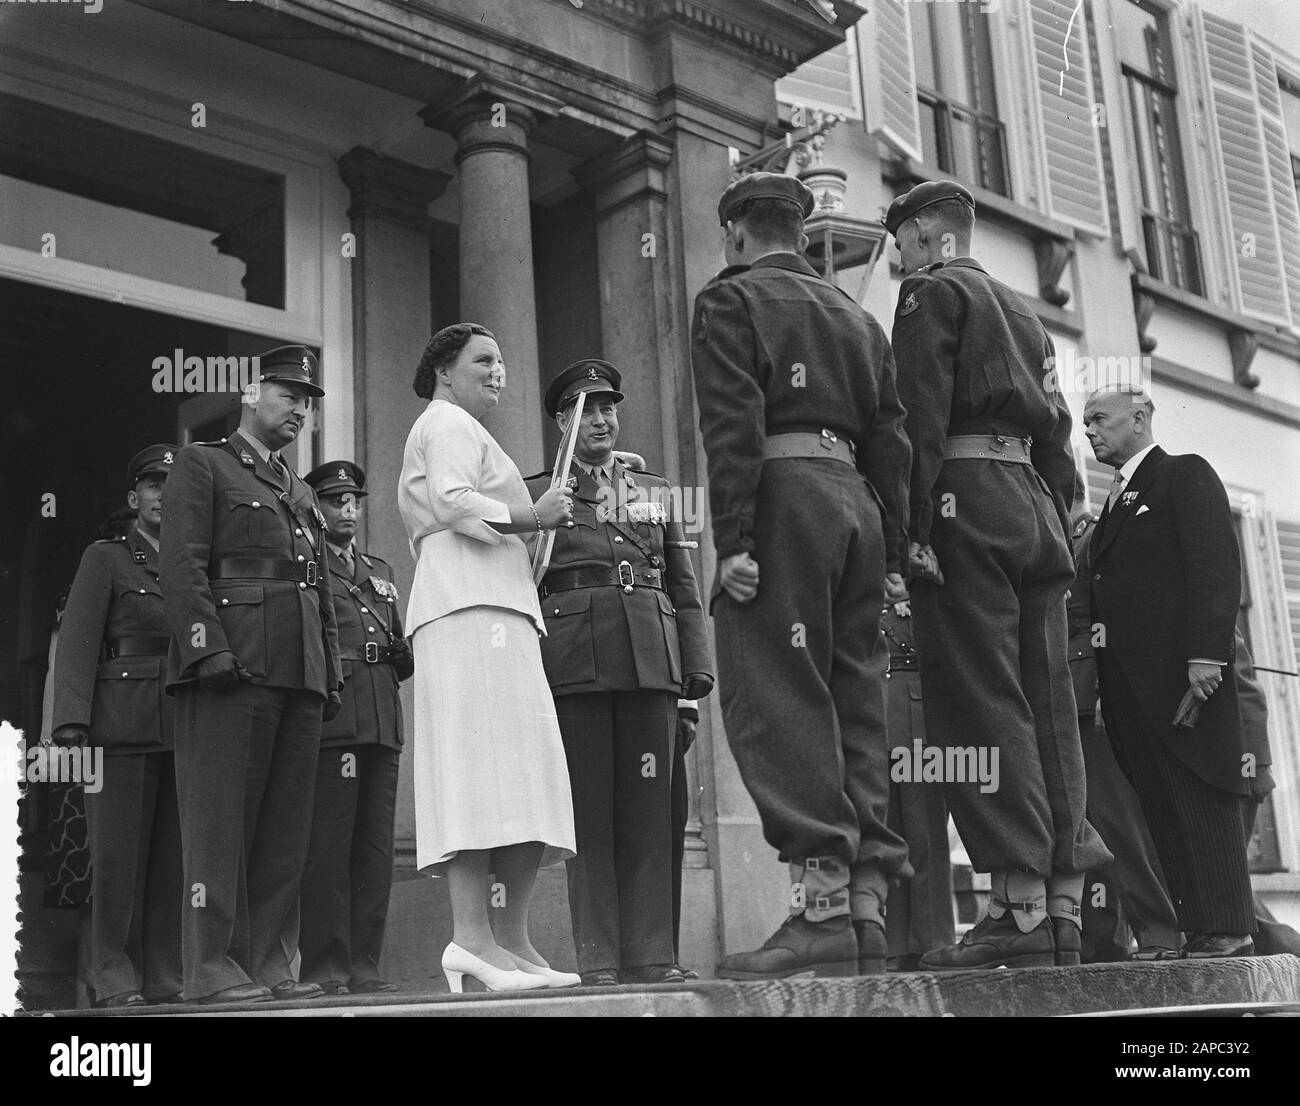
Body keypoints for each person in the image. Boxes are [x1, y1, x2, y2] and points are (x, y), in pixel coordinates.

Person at [691, 172, 912, 978]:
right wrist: (895, 543)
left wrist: (736, 540)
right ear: (799, 230)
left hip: (784, 503)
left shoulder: (729, 299)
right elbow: (892, 438)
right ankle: (864, 907)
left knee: (777, 694)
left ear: (737, 234)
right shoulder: (855, 314)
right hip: (854, 505)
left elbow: (731, 425)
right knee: (855, 696)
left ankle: (817, 908)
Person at [887, 180, 1110, 970]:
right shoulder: (1023, 310)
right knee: (1049, 701)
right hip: (1034, 510)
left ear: (923, 236)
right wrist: (1065, 512)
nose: (898, 261)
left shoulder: (929, 294)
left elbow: (915, 414)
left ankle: (1014, 908)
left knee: (982, 699)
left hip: (964, 504)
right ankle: (1060, 909)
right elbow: (1057, 430)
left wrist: (910, 531)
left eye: (900, 244)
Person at [398, 322, 577, 993]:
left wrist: (533, 530)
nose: (498, 371)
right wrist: (533, 516)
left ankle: (512, 940)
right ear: (445, 370)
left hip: (502, 608)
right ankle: (470, 938)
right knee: (475, 769)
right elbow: (449, 500)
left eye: (503, 360)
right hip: (462, 608)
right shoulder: (442, 421)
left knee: (524, 771)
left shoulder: (472, 432)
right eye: (484, 359)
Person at [160, 346, 342, 1005]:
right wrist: (206, 648)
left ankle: (268, 963)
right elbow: (181, 565)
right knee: (219, 823)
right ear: (248, 392)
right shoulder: (204, 464)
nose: (301, 407)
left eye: (308, 399)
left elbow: (318, 588)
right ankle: (210, 965)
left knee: (283, 830)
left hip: (299, 675)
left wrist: (332, 671)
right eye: (289, 393)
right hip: (230, 668)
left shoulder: (300, 492)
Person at [526, 360, 713, 986]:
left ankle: (654, 954)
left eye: (609, 408)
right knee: (592, 817)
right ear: (563, 423)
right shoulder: (538, 495)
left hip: (650, 662)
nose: (602, 420)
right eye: (587, 410)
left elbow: (684, 588)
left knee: (652, 814)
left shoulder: (655, 492)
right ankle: (601, 960)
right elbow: (524, 588)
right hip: (576, 663)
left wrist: (695, 676)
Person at [1083, 384, 1254, 958]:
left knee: (1202, 795)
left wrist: (1207, 657)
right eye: (1085, 422)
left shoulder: (1183, 474)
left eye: (1100, 419)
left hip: (1184, 679)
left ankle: (1229, 927)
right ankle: (1202, 928)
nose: (1089, 431)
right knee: (1162, 804)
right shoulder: (1113, 502)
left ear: (1140, 417)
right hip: (1132, 689)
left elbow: (1215, 568)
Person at [51, 445, 184, 1007]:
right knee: (116, 860)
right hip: (119, 724)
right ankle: (112, 976)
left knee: (174, 861)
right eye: (154, 486)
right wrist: (71, 722)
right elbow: (80, 642)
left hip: (183, 724)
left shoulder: (194, 559)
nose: (163, 496)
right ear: (135, 498)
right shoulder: (106, 557)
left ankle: (165, 976)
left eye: (173, 488)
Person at [299, 460, 413, 995]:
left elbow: (398, 647)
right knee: (330, 848)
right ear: (315, 508)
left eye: (354, 502)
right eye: (334, 502)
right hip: (337, 719)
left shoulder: (379, 571)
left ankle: (365, 965)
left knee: (373, 850)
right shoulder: (309, 565)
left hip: (382, 717)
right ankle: (325, 967)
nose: (347, 511)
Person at [1068, 498, 1181, 963]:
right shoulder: (1058, 539)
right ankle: (1103, 941)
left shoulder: (1099, 537)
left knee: (1120, 825)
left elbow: (1121, 617)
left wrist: (1108, 694)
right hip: (1063, 696)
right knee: (1084, 828)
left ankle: (1158, 929)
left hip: (1094, 696)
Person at [880, 596, 955, 971]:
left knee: (925, 838)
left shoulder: (920, 592)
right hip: (878, 720)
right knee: (889, 838)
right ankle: (896, 945)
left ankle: (933, 940)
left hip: (918, 723)